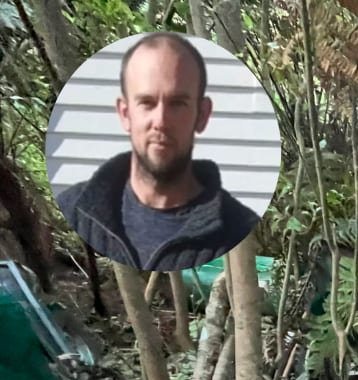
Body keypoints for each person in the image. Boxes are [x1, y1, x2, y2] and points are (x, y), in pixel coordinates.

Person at [56, 32, 259, 271]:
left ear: (202, 115)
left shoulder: (236, 223)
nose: (161, 121)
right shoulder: (77, 208)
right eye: (147, 103)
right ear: (125, 114)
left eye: (177, 103)